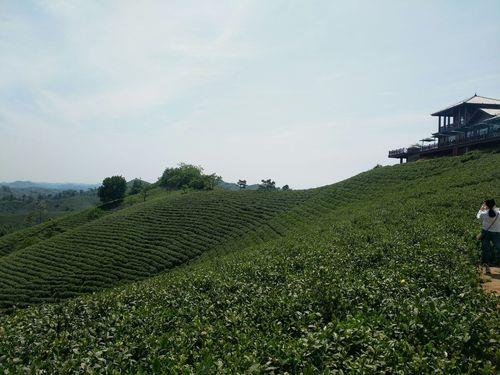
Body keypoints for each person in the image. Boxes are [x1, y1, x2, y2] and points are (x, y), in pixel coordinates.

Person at [477, 199, 500, 275]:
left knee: (486, 250)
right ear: (494, 205)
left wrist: (482, 207)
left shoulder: (484, 214)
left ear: (486, 205)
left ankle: (487, 268)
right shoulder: (498, 213)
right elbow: (496, 210)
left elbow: (478, 216)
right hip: (496, 233)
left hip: (485, 233)